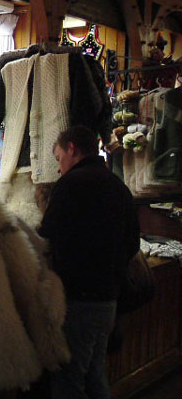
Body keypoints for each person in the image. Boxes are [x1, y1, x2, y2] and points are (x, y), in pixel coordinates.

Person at [38, 125, 139, 399]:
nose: (59, 167)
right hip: (108, 300)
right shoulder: (119, 187)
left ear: (72, 148)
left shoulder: (69, 185)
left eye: (59, 158)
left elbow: (47, 235)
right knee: (95, 375)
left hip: (77, 299)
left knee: (69, 380)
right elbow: (133, 243)